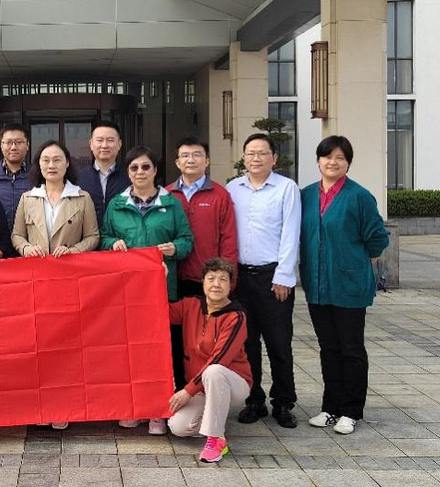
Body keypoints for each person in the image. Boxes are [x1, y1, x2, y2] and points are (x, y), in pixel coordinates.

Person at [100, 145, 194, 435]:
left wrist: (174, 248)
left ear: (155, 170)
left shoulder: (171, 204)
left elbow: (187, 240)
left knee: (158, 352)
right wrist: (112, 244)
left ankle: (157, 411)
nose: (140, 172)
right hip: (126, 293)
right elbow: (103, 237)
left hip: (161, 291)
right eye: (134, 168)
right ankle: (132, 406)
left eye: (145, 167)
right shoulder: (116, 204)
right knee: (129, 352)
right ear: (128, 172)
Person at [300, 136, 389, 435]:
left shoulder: (359, 196)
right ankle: (330, 408)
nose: (333, 162)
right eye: (327, 156)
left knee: (351, 348)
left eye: (340, 157)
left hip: (349, 285)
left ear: (348, 163)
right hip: (317, 285)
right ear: (318, 161)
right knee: (328, 348)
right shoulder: (306, 195)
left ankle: (351, 410)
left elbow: (377, 238)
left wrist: (356, 262)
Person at [12, 140, 100, 430]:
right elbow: (16, 235)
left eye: (57, 159)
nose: (51, 165)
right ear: (39, 165)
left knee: (66, 347)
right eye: (46, 160)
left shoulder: (81, 198)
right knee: (37, 345)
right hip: (35, 283)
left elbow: (93, 237)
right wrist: (26, 248)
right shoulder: (28, 199)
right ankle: (39, 406)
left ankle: (63, 406)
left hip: (69, 283)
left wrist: (74, 251)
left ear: (67, 163)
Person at [226, 133, 301, 428]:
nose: (256, 158)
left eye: (262, 153)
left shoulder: (286, 188)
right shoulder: (233, 189)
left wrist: (284, 276)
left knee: (279, 343)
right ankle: (254, 400)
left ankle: (283, 402)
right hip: (241, 278)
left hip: (273, 278)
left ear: (274, 158)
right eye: (250, 153)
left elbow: (291, 234)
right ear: (243, 157)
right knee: (247, 344)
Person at [166, 137, 238, 393]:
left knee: (207, 341)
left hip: (206, 283)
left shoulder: (220, 194)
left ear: (207, 161)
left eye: (197, 155)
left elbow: (228, 240)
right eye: (185, 155)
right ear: (177, 162)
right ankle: (179, 392)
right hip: (175, 281)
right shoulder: (166, 195)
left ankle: (208, 393)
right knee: (176, 340)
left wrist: (227, 281)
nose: (191, 160)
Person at [167, 258, 251, 463]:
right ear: (202, 282)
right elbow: (160, 311)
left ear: (230, 286)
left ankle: (215, 439)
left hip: (234, 383)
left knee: (214, 371)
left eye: (223, 279)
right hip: (201, 387)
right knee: (178, 427)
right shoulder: (191, 305)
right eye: (211, 278)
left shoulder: (236, 316)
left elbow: (220, 359)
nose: (216, 284)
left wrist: (187, 391)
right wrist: (161, 279)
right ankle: (216, 418)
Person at [78, 120, 131, 227]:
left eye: (110, 140)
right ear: (91, 144)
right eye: (99, 140)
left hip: (121, 236)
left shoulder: (130, 176)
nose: (104, 145)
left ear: (119, 144)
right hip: (88, 236)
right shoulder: (79, 178)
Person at [0, 123, 32, 233]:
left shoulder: (37, 176)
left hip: (29, 240)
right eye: (8, 142)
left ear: (27, 145)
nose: (13, 147)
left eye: (19, 142)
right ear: (1, 146)